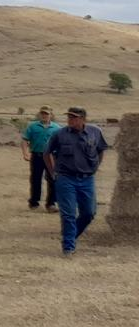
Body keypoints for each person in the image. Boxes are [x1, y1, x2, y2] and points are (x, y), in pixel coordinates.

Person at [45, 106, 109, 258]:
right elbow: (46, 153)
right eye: (69, 117)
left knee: (89, 213)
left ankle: (71, 236)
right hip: (66, 178)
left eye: (74, 117)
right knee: (69, 214)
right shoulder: (59, 134)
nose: (70, 120)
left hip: (87, 179)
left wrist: (95, 168)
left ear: (83, 119)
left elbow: (100, 150)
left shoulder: (95, 132)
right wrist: (53, 172)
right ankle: (68, 247)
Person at [20, 107, 60, 211]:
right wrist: (25, 153)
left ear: (51, 114)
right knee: (35, 179)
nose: (44, 115)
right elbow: (25, 140)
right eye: (42, 113)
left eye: (46, 114)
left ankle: (51, 204)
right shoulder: (32, 127)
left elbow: (61, 144)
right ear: (40, 114)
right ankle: (34, 203)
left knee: (53, 179)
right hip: (37, 156)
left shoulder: (57, 128)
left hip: (51, 157)